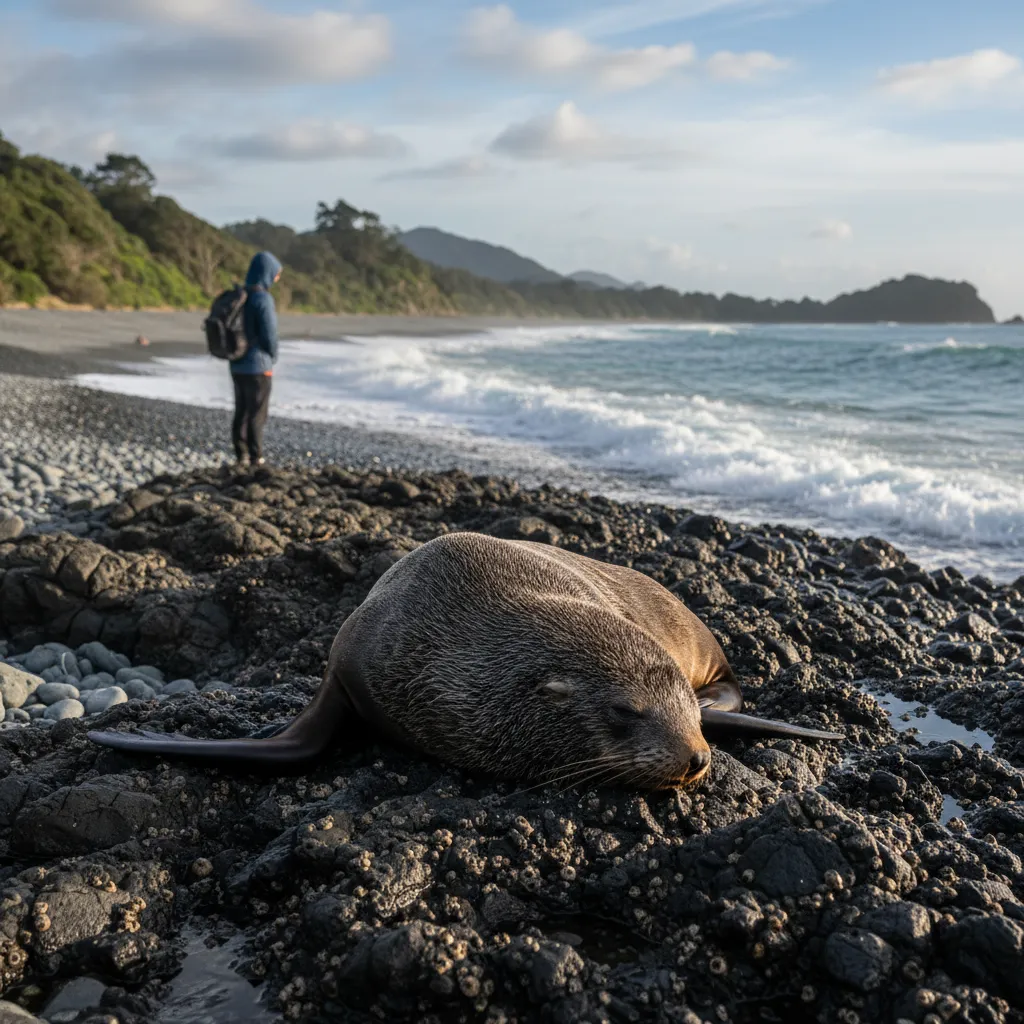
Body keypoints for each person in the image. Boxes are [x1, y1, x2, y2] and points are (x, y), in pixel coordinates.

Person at [231, 251, 282, 466]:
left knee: (241, 409)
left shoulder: (240, 296)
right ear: (267, 273)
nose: (277, 278)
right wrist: (273, 356)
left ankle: (240, 455)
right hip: (258, 365)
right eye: (276, 274)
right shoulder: (263, 299)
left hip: (236, 362)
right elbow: (270, 334)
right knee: (257, 412)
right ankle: (256, 456)